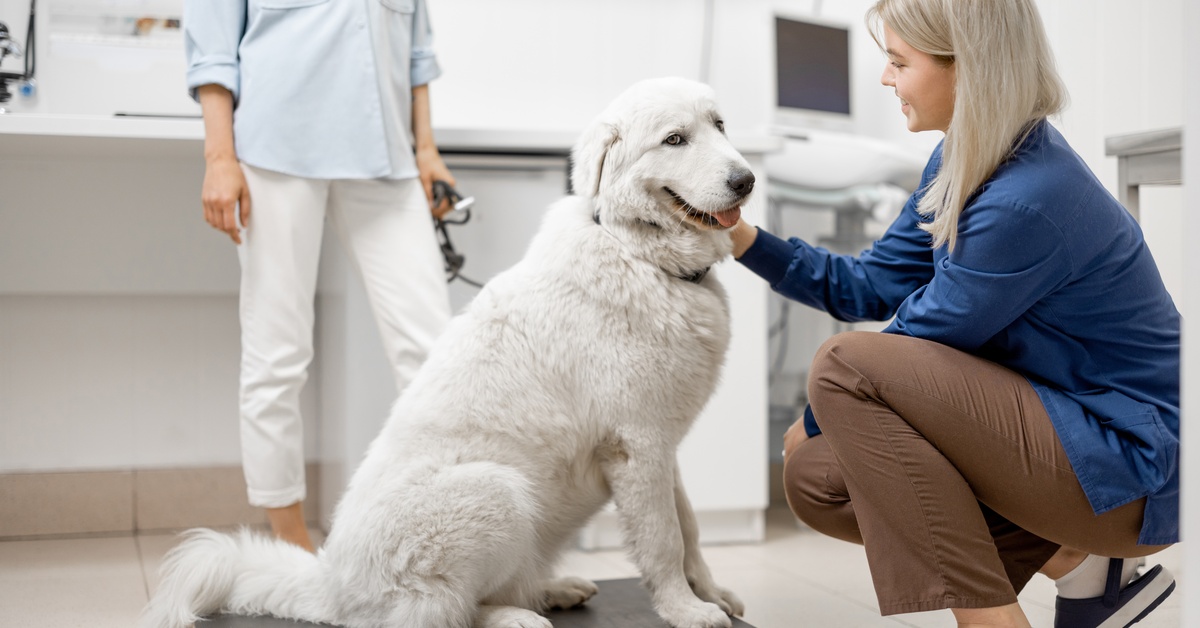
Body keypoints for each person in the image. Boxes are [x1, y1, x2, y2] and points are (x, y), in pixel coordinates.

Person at [730, 1, 1180, 626]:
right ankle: (1079, 565)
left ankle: (992, 619)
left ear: (968, 69)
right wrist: (742, 238)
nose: (887, 80)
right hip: (1062, 436)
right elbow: (868, 285)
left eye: (898, 62)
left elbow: (912, 340)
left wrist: (815, 413)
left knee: (840, 366)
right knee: (817, 479)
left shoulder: (1028, 199)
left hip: (1133, 468)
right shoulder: (962, 160)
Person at [184, 0, 456, 552]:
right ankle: (292, 545)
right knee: (277, 356)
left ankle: (452, 527)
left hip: (387, 161)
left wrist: (426, 150)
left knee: (440, 359)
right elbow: (213, 53)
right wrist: (219, 157)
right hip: (276, 152)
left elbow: (416, 52)